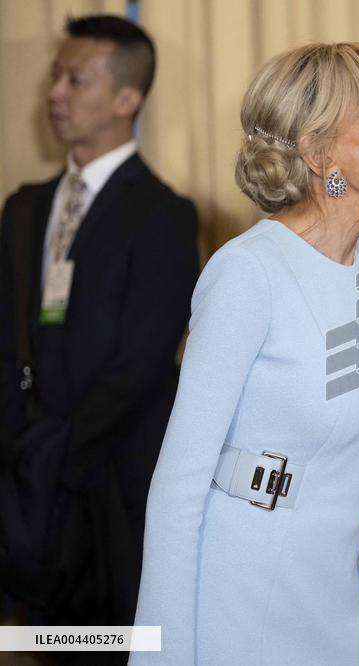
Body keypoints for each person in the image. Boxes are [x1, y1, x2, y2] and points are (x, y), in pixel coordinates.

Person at [131, 43, 359, 664]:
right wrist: (162, 655)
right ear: (319, 151)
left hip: (335, 600)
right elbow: (178, 484)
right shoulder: (249, 271)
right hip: (237, 593)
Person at [0, 13, 199, 643]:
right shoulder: (25, 206)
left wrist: (62, 449)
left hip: (112, 478)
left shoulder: (163, 213)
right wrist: (23, 443)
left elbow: (143, 360)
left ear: (126, 99)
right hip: (29, 470)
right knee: (34, 640)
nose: (55, 94)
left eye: (76, 80)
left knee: (114, 644)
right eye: (55, 76)